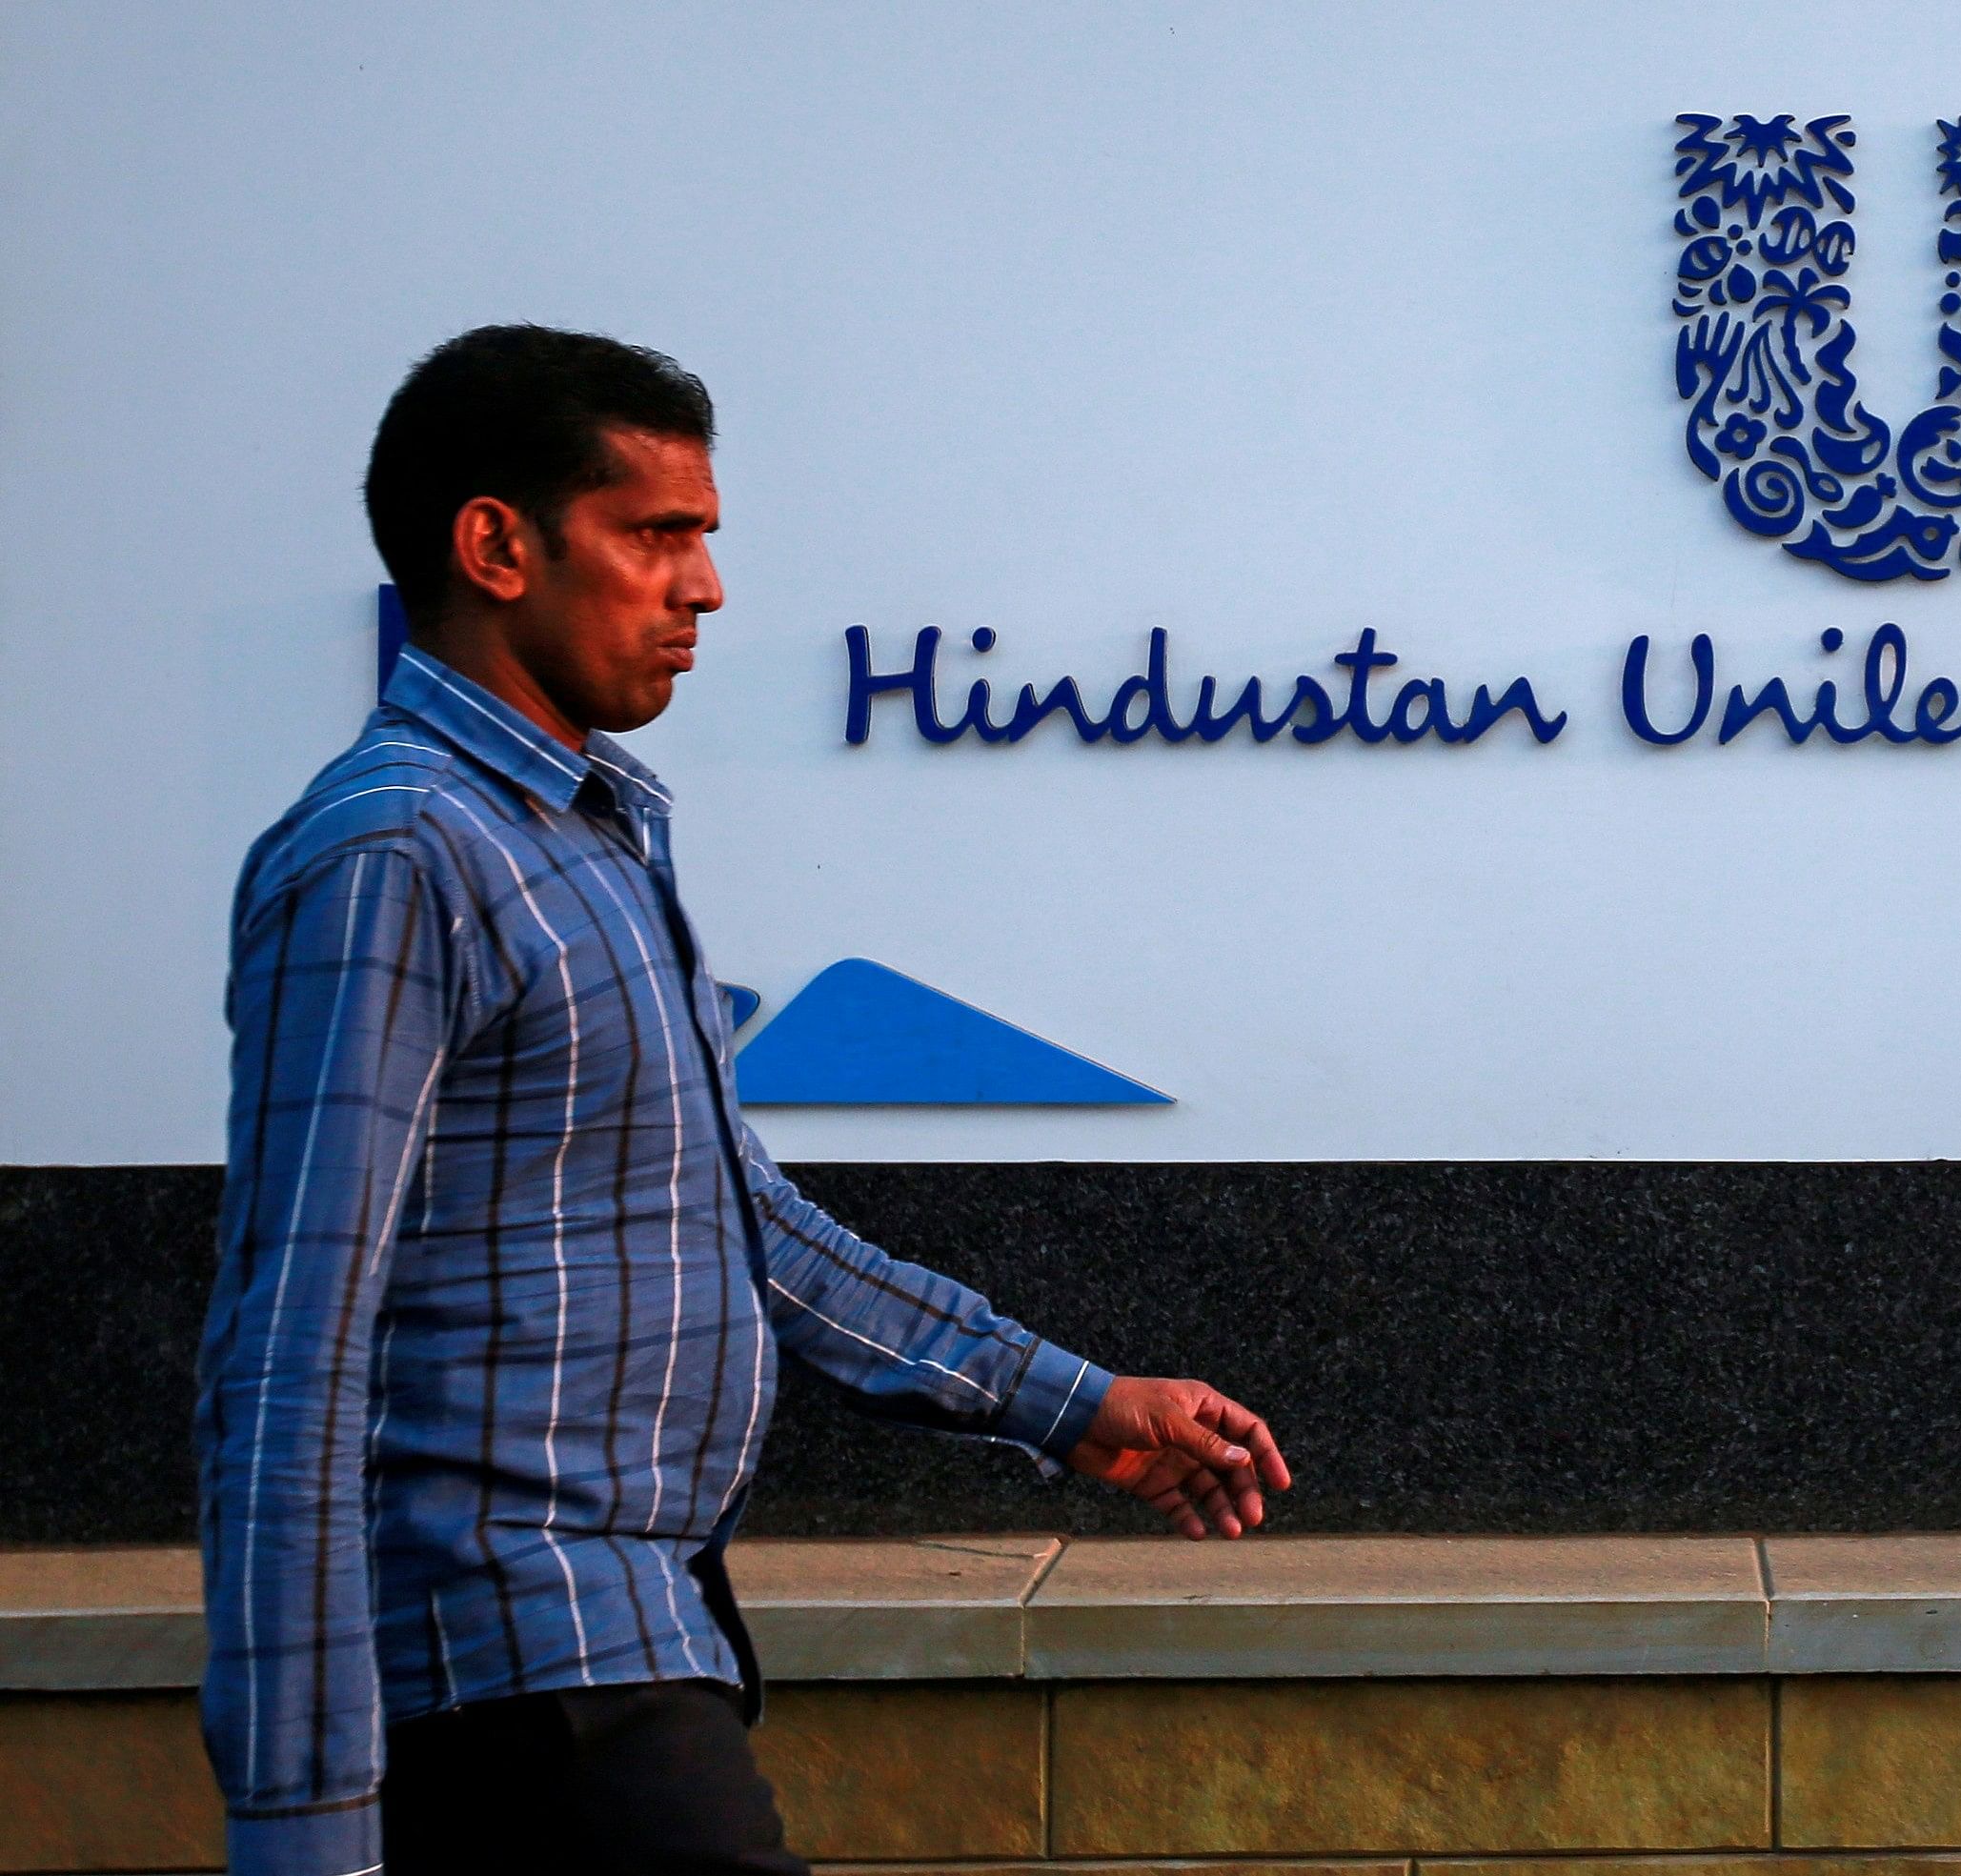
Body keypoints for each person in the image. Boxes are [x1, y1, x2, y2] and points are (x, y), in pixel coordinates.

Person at [195, 324, 1292, 1876]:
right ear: (496, 544)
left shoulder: (587, 835)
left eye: (704, 539)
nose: (703, 587)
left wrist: (1076, 1402)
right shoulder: (397, 858)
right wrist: (301, 1828)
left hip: (627, 1636)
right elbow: (287, 1354)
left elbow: (746, 1223)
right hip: (524, 1664)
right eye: (658, 534)